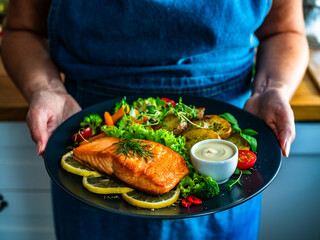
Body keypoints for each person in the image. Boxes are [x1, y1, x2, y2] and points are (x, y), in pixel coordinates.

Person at [2, 0, 308, 239]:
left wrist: (274, 88)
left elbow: (285, 31)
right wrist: (46, 88)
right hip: (89, 123)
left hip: (223, 146)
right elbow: (22, 29)